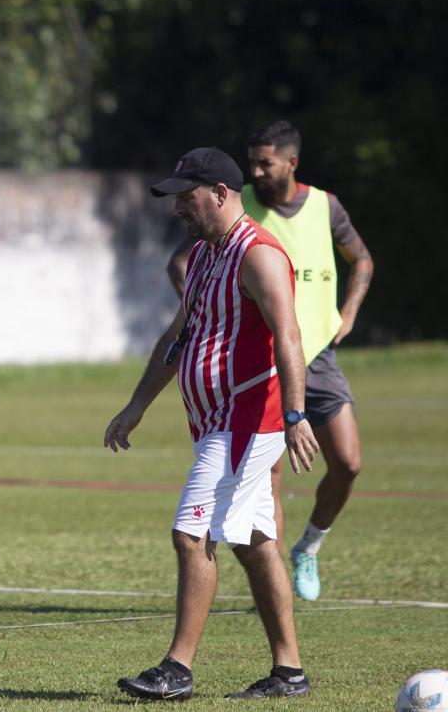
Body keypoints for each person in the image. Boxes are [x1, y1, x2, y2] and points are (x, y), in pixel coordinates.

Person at [105, 147, 320, 700]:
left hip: (246, 422)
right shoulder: (204, 255)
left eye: (186, 195)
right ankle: (289, 672)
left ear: (220, 194)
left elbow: (288, 337)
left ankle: (177, 668)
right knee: (252, 541)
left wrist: (296, 414)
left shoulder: (259, 254)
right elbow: (177, 339)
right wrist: (137, 405)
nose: (178, 207)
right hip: (214, 423)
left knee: (190, 532)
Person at [167, 121, 373, 601]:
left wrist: (349, 312)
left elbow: (361, 260)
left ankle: (309, 547)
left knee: (347, 463)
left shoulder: (325, 205)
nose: (257, 170)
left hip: (314, 353)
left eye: (266, 162)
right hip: (259, 362)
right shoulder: (237, 208)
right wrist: (207, 315)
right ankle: (276, 602)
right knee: (267, 481)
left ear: (292, 162)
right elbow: (185, 263)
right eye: (252, 161)